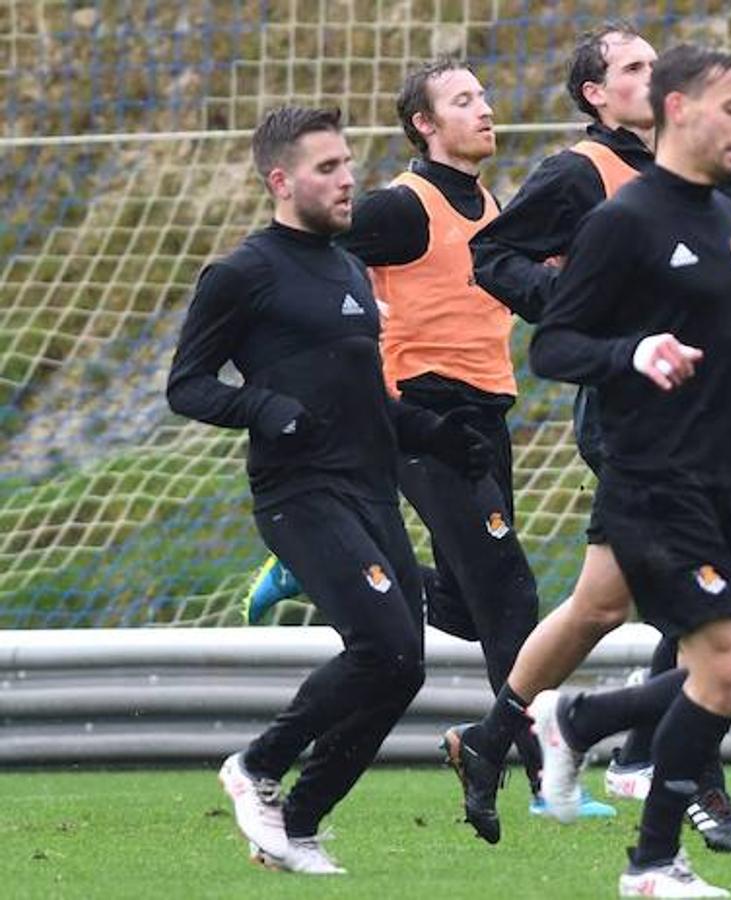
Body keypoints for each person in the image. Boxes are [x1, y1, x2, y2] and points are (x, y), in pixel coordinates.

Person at [527, 44, 731, 898]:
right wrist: (634, 352)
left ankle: (577, 717)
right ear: (676, 110)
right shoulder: (624, 220)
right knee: (725, 671)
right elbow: (552, 344)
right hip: (652, 483)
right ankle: (651, 865)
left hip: (730, 480)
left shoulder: (722, 216)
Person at [450, 24, 731, 852]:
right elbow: (493, 255)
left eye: (655, 64)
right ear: (596, 94)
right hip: (634, 414)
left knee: (599, 604)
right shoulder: (580, 173)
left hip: (701, 415)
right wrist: (588, 317)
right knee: (711, 602)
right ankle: (680, 785)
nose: (652, 75)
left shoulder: (695, 179)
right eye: (632, 68)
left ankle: (492, 739)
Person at [167, 105, 491, 873]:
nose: (348, 179)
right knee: (380, 646)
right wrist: (264, 408)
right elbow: (187, 387)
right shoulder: (242, 272)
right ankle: (255, 765)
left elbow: (368, 401)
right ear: (281, 181)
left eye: (348, 163)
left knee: (404, 665)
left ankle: (300, 826)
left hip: (371, 491)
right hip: (300, 494)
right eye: (327, 168)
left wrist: (438, 434)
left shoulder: (347, 268)